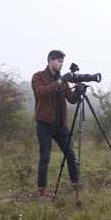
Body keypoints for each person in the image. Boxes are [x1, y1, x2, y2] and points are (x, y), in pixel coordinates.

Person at [31, 49, 81, 201]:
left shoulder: (63, 80)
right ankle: (42, 192)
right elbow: (41, 92)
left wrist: (79, 90)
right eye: (59, 61)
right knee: (45, 157)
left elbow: (71, 99)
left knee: (71, 154)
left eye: (62, 62)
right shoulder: (38, 76)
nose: (61, 64)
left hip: (60, 125)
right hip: (44, 124)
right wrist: (60, 81)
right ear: (50, 60)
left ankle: (75, 184)